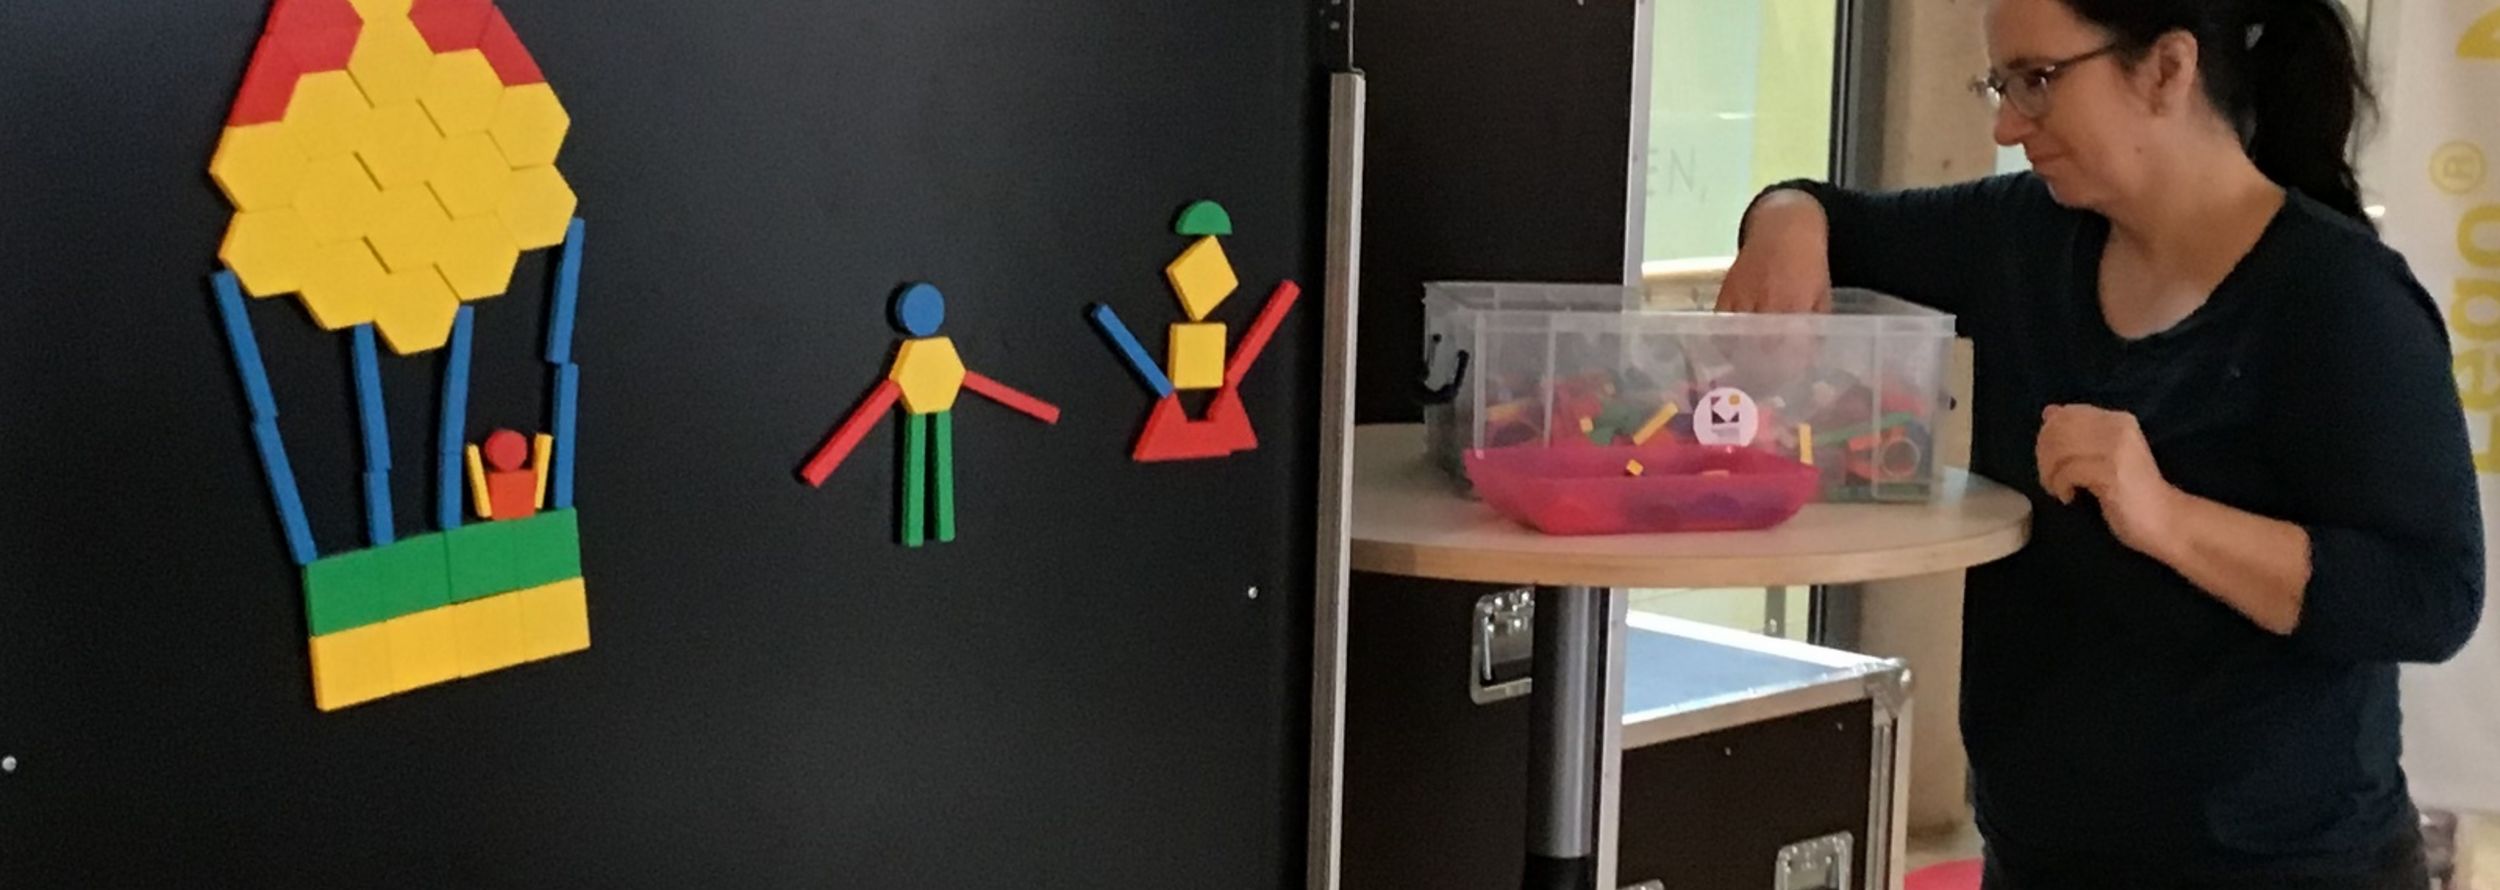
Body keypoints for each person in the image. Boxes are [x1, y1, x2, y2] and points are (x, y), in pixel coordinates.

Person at [1716, 0, 2485, 887]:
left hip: (2286, 868)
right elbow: (1831, 218)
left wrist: (2169, 518)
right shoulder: (2022, 234)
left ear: (2166, 70)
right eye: (2001, 85)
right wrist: (1784, 220)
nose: (2008, 126)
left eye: (2039, 81)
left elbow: (2432, 596)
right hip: (2038, 858)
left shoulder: (2339, 298)